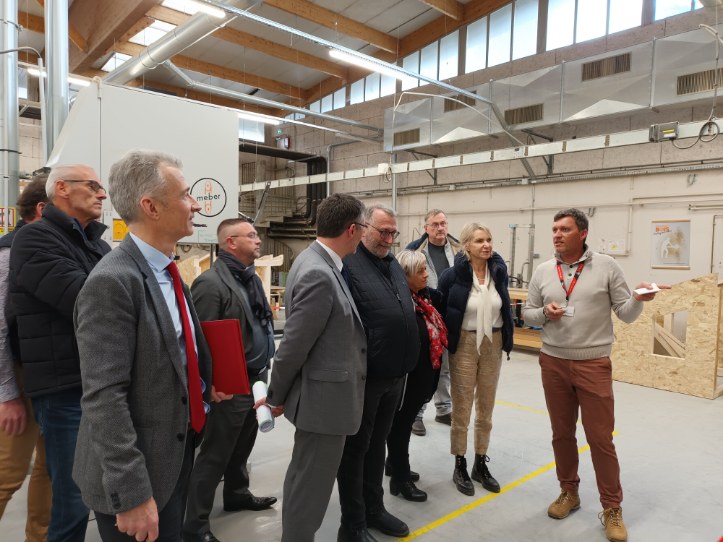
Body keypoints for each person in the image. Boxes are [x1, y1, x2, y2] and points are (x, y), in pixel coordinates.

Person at [72, 150, 218, 542]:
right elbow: (104, 396)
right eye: (186, 194)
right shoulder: (114, 282)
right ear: (151, 206)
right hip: (138, 471)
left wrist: (203, 385)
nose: (196, 204)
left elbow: (170, 353)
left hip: (174, 453)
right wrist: (132, 494)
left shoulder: (169, 271)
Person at [521, 208, 668, 542]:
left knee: (600, 438)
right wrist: (544, 312)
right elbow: (528, 312)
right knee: (561, 433)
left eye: (564, 229)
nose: (557, 235)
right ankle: (568, 492)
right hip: (553, 362)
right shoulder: (544, 271)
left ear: (582, 233)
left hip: (593, 364)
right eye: (554, 229)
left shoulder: (606, 266)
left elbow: (626, 314)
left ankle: (612, 506)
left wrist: (640, 297)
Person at [8, 164, 111, 542]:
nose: (102, 194)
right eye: (94, 185)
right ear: (62, 189)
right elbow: (91, 301)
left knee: (81, 489)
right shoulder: (34, 238)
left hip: (95, 381)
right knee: (71, 497)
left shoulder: (96, 243)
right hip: (64, 386)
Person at [260, 193, 367, 542]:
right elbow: (293, 345)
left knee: (305, 478)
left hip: (323, 399)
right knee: (311, 488)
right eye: (364, 228)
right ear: (351, 230)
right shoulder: (319, 273)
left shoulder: (314, 260)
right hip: (324, 405)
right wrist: (275, 395)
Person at [183, 218, 277, 542]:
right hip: (229, 385)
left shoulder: (250, 279)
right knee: (215, 454)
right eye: (251, 236)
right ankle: (194, 525)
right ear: (230, 243)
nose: (258, 240)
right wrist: (213, 385)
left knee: (243, 445)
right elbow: (202, 340)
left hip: (256, 378)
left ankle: (237, 493)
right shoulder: (210, 284)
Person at [337, 204, 419, 542]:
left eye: (393, 233)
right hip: (366, 378)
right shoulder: (349, 265)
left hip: (395, 376)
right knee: (356, 450)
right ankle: (352, 522)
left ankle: (375, 508)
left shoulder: (392, 265)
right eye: (382, 232)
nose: (388, 239)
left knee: (377, 447)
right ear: (362, 228)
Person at [437, 223, 513, 497]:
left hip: (493, 342)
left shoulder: (499, 273)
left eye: (489, 239)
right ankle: (460, 463)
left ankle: (481, 462)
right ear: (467, 245)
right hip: (466, 343)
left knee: (486, 407)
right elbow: (441, 311)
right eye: (480, 240)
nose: (486, 245)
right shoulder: (451, 276)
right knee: (462, 407)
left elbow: (503, 306)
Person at [0, 175, 51, 542]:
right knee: (7, 474)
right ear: (43, 209)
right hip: (18, 377)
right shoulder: (8, 254)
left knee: (51, 472)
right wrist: (7, 395)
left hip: (54, 377)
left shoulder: (56, 249)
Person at [385, 250, 446, 503]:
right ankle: (400, 479)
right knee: (400, 427)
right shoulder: (401, 304)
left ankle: (393, 465)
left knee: (402, 425)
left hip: (423, 378)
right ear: (404, 275)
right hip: (408, 380)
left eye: (425, 269)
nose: (426, 274)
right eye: (420, 271)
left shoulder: (423, 299)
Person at [406, 209, 460, 435]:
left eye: (444, 223)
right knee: (426, 366)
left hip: (449, 312)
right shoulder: (414, 250)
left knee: (446, 366)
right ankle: (416, 413)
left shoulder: (459, 249)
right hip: (424, 312)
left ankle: (443, 409)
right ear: (426, 228)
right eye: (435, 224)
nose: (440, 228)